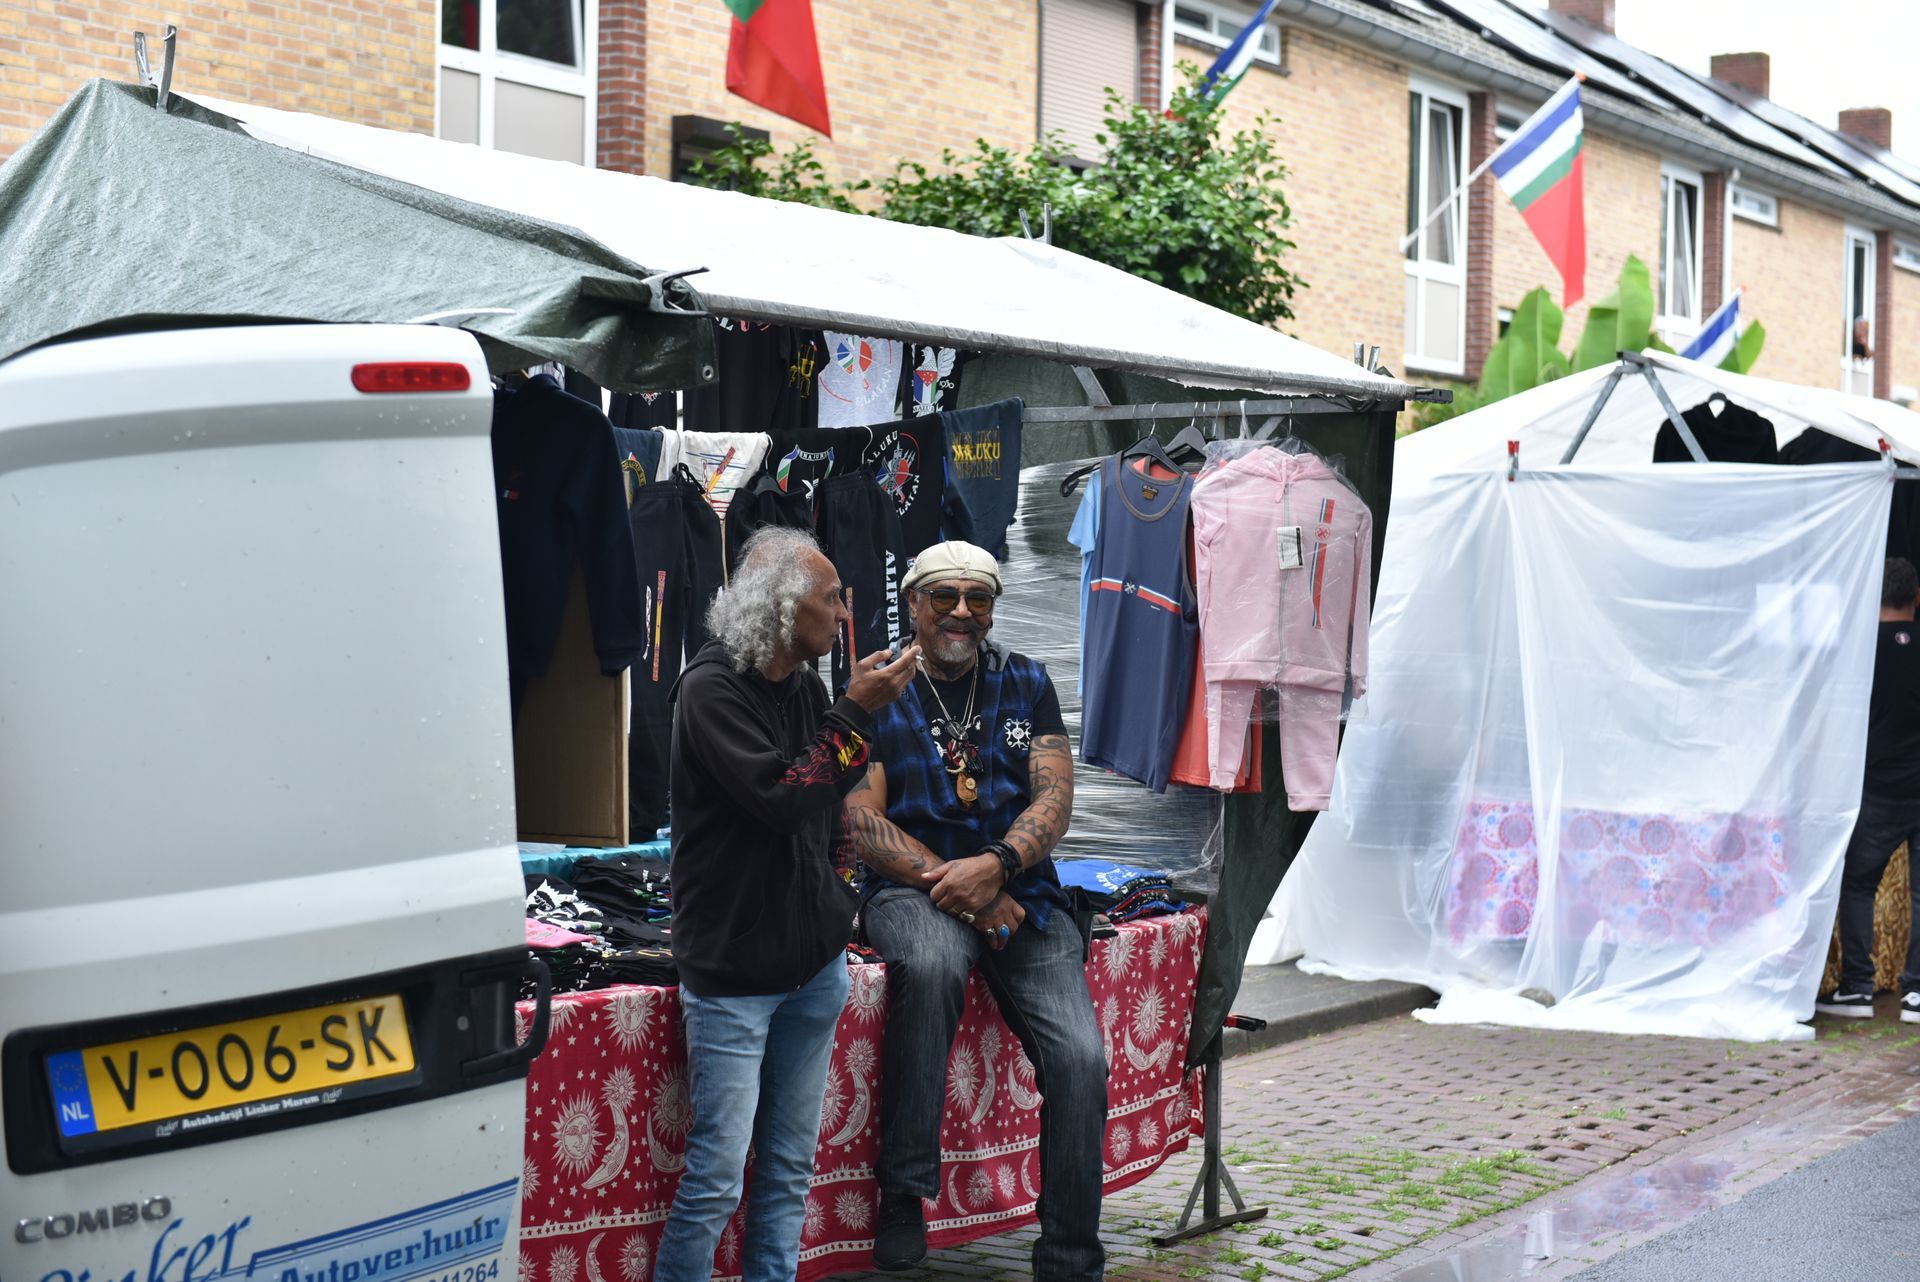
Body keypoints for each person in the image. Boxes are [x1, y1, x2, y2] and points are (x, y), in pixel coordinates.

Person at [655, 527, 920, 1282]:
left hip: (812, 969)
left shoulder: (800, 688)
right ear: (782, 608)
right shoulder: (709, 690)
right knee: (716, 1182)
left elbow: (827, 799)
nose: (843, 615)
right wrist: (856, 714)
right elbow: (780, 796)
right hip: (735, 979)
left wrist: (837, 900)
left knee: (787, 1173)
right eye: (830, 599)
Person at [844, 541, 1107, 1282]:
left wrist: (998, 869)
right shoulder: (876, 686)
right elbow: (859, 820)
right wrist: (956, 884)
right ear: (914, 603)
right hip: (910, 886)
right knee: (930, 963)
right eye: (944, 596)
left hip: (1020, 890)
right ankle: (904, 1189)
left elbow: (1054, 797)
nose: (962, 611)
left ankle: (1069, 1257)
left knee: (1083, 1059)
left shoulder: (1025, 683)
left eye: (978, 597)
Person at [1819, 557, 1920, 1022]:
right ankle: (1916, 993)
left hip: (1877, 787)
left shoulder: (1856, 650)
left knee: (1858, 885)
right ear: (1916, 599)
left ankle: (1857, 989)